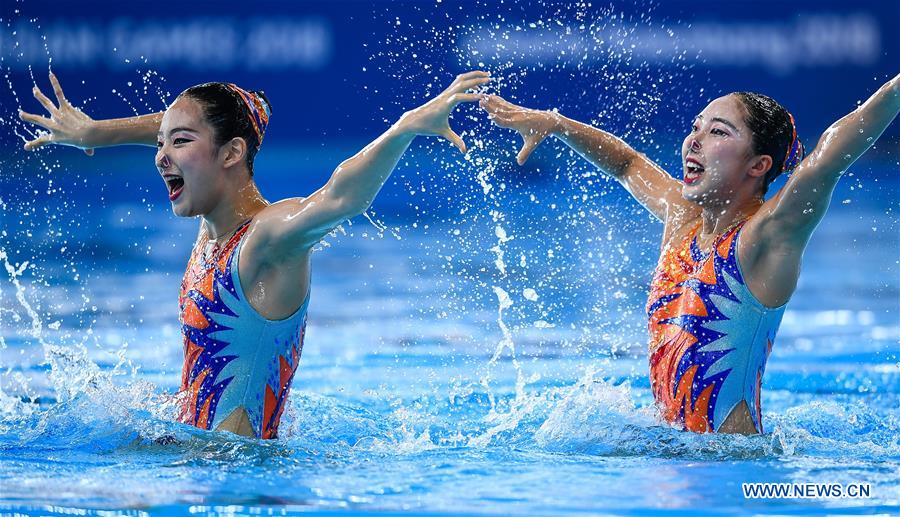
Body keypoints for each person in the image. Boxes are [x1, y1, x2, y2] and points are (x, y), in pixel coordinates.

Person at [20, 70, 490, 439]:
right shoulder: (211, 231)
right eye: (161, 142)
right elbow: (184, 131)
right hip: (195, 457)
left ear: (232, 153)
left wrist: (405, 128)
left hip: (235, 477)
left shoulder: (266, 241)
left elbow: (340, 197)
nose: (161, 154)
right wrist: (94, 134)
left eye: (178, 143)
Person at [480, 74, 899, 434]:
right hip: (668, 453)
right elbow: (626, 163)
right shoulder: (682, 221)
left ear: (758, 165)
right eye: (696, 127)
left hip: (731, 464)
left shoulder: (765, 238)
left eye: (718, 132)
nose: (694, 140)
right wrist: (556, 124)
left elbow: (826, 159)